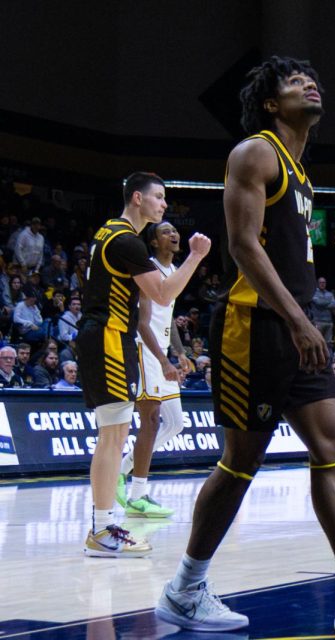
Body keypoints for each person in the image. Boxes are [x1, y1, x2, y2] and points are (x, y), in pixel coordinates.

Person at [156, 57, 335, 634]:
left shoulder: (301, 173)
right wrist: (299, 320)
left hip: (294, 324)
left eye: (314, 78)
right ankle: (183, 589)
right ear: (271, 105)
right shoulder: (254, 152)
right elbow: (244, 248)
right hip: (253, 325)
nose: (312, 84)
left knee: (332, 445)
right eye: (294, 82)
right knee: (240, 462)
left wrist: (305, 321)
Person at [76, 171, 211, 558]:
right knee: (113, 435)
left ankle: (105, 525)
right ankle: (102, 529)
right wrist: (197, 257)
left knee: (114, 433)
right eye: (159, 197)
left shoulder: (111, 232)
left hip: (107, 335)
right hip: (108, 336)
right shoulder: (126, 241)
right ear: (138, 198)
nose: (164, 204)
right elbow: (165, 293)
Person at [117, 220, 192, 519]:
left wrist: (181, 352)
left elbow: (168, 316)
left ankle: (120, 472)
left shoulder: (173, 272)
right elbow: (143, 322)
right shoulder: (147, 269)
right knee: (151, 419)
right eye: (165, 232)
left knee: (175, 423)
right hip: (145, 350)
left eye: (175, 230)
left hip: (163, 352)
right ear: (154, 242)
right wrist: (162, 360)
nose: (173, 234)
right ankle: (138, 494)